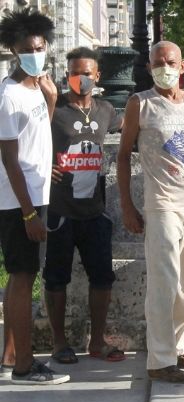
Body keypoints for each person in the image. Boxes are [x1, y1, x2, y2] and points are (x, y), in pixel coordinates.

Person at [117, 41, 184, 384]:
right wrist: (128, 205)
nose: (164, 67)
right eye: (157, 62)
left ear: (182, 65)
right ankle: (159, 360)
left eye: (170, 61)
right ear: (149, 67)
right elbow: (122, 156)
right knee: (164, 281)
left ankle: (179, 346)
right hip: (161, 204)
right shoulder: (140, 104)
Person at [44, 47, 125, 365]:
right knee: (55, 279)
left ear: (98, 76)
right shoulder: (54, 110)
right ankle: (59, 342)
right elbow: (24, 139)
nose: (81, 79)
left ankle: (98, 340)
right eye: (75, 74)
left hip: (94, 212)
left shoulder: (106, 110)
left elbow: (133, 123)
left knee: (103, 278)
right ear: (67, 77)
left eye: (87, 73)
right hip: (59, 212)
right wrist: (41, 165)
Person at [0, 8, 67, 385]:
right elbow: (10, 159)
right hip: (16, 202)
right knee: (23, 278)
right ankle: (25, 366)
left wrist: (52, 101)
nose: (35, 54)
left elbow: (36, 139)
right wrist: (28, 214)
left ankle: (11, 357)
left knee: (19, 278)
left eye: (40, 47)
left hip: (34, 194)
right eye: (27, 49)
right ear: (13, 50)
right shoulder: (8, 96)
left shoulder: (38, 88)